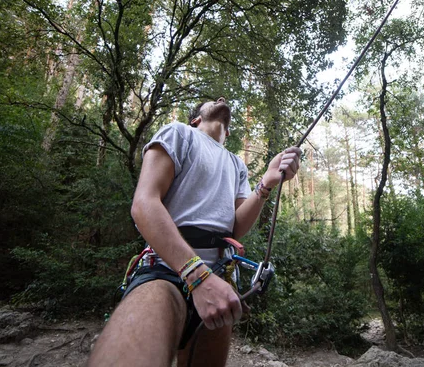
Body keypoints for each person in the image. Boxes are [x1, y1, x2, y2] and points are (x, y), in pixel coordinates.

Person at [87, 97, 301, 367]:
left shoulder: (236, 164)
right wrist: (197, 276)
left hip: (221, 276)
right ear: (196, 119)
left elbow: (235, 227)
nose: (222, 99)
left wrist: (265, 185)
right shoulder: (179, 133)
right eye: (213, 100)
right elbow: (144, 204)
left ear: (229, 131)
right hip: (166, 269)